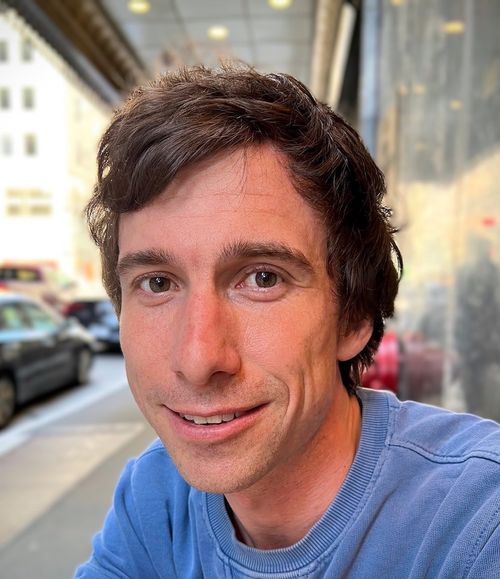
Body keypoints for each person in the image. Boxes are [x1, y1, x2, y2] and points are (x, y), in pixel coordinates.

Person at [75, 65, 500, 578]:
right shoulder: (156, 496)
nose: (198, 359)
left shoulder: (477, 518)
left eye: (262, 278)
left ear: (353, 316)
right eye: (158, 283)